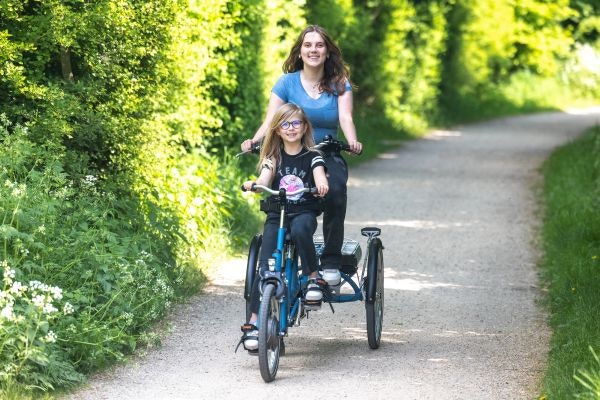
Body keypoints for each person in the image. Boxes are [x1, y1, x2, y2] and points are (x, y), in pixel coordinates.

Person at [241, 25, 362, 289]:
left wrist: (352, 140)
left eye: (319, 45)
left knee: (336, 191)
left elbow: (345, 117)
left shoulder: (339, 83)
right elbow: (272, 119)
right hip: (290, 152)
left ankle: (330, 261)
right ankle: (277, 256)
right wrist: (255, 140)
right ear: (300, 50)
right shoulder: (287, 82)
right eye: (308, 45)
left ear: (327, 51)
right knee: (277, 195)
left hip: (325, 151)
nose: (313, 50)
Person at [239, 103, 329, 352]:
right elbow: (265, 178)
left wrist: (320, 184)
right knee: (265, 265)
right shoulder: (273, 158)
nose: (291, 128)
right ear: (277, 129)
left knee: (301, 230)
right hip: (276, 215)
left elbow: (319, 174)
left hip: (303, 212)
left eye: (296, 123)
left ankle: (313, 277)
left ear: (305, 127)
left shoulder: (313, 155)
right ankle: (255, 322)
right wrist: (256, 185)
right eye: (285, 124)